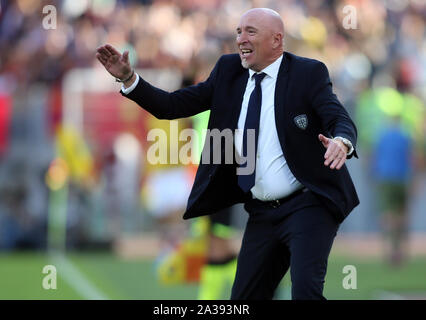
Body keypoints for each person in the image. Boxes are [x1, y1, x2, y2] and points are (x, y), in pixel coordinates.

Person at [96, 8, 359, 300]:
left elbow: (338, 117)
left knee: (305, 292)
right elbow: (171, 106)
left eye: (250, 32)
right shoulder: (229, 71)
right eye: (238, 31)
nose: (240, 39)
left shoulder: (307, 73)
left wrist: (342, 141)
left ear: (277, 40)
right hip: (261, 210)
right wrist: (130, 79)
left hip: (308, 204)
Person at [372, 115, 413, 266]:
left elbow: (375, 158)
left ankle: (388, 250)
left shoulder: (382, 137)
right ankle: (401, 251)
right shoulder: (405, 136)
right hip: (402, 178)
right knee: (402, 214)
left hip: (386, 178)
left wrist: (375, 175)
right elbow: (412, 158)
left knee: (387, 214)